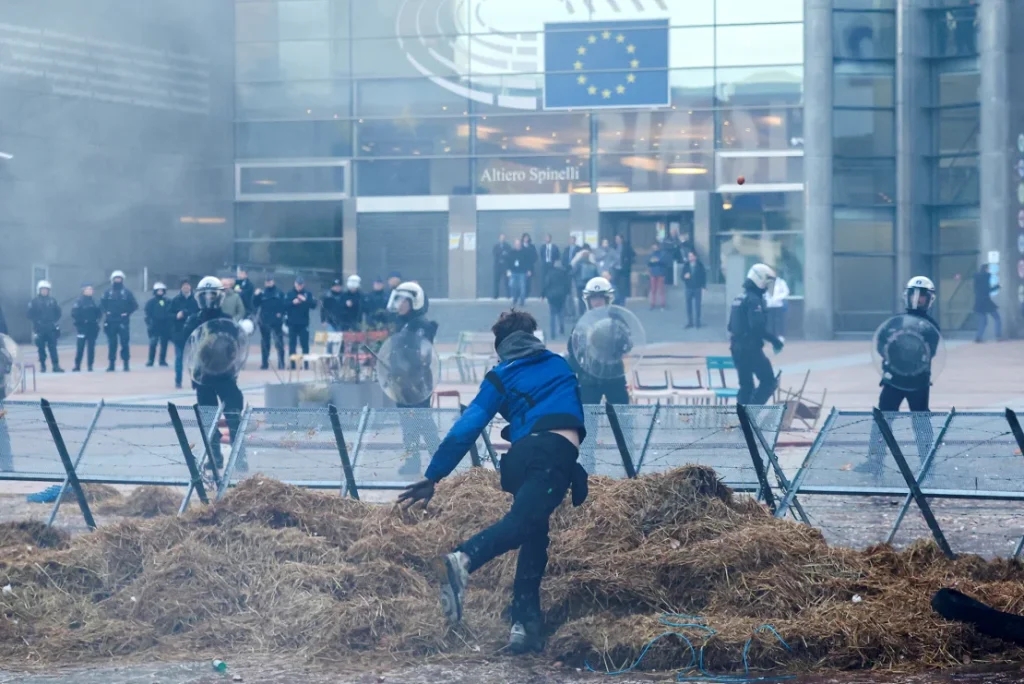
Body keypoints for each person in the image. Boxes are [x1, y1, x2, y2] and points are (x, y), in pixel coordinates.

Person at [397, 310, 587, 654]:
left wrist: (433, 475)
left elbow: (467, 426)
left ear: (502, 346)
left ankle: (524, 626)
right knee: (521, 524)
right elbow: (568, 409)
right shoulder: (560, 365)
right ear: (534, 336)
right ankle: (463, 559)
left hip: (526, 456)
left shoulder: (501, 375)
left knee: (534, 534)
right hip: (553, 454)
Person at [859, 277, 941, 476]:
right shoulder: (895, 322)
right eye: (914, 295)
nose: (917, 300)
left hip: (918, 381)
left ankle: (927, 464)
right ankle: (874, 461)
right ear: (907, 296)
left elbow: (932, 351)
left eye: (922, 296)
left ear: (929, 299)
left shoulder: (930, 326)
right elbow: (881, 343)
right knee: (882, 420)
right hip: (894, 379)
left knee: (921, 422)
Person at [183, 277, 249, 472]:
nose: (209, 299)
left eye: (213, 295)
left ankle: (240, 458)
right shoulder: (193, 320)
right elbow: (183, 342)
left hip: (226, 376)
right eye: (205, 296)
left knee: (234, 417)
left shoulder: (227, 321)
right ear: (199, 298)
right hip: (203, 378)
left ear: (220, 297)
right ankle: (215, 458)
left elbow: (237, 346)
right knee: (209, 421)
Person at [387, 281, 440, 476]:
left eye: (403, 300)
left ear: (414, 302)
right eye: (398, 299)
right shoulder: (404, 324)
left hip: (417, 382)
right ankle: (412, 460)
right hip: (402, 382)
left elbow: (419, 355)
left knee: (424, 422)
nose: (399, 304)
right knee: (407, 424)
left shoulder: (422, 326)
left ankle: (439, 459)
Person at [568, 277, 631, 405]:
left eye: (600, 298)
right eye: (593, 298)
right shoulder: (582, 323)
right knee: (589, 419)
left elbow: (627, 344)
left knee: (622, 418)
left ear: (608, 299)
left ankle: (622, 425)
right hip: (589, 378)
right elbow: (572, 349)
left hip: (614, 375)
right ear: (588, 300)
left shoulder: (616, 320)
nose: (597, 302)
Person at [728, 264, 783, 405]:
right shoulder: (753, 300)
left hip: (736, 348)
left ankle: (742, 421)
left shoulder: (738, 298)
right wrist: (775, 341)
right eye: (766, 283)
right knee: (769, 381)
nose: (766, 287)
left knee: (746, 386)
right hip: (750, 348)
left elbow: (730, 326)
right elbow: (757, 327)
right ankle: (751, 414)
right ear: (759, 280)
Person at [101, 270, 138, 372]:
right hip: (111, 321)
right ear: (112, 280)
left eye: (119, 278)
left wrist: (127, 312)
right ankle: (111, 364)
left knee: (124, 343)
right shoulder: (107, 293)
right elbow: (101, 304)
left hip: (123, 321)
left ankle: (126, 364)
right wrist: (106, 312)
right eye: (116, 278)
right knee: (112, 344)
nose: (117, 280)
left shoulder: (127, 293)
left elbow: (134, 305)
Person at [27, 280, 64, 373]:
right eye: (42, 289)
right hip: (40, 328)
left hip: (51, 327)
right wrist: (37, 322)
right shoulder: (34, 302)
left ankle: (56, 366)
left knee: (53, 347)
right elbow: (29, 314)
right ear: (39, 290)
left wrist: (53, 321)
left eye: (46, 289)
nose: (44, 291)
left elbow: (58, 313)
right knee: (41, 348)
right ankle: (43, 366)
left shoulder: (53, 301)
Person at [252, 274, 286, 370]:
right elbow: (255, 304)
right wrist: (256, 295)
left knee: (279, 343)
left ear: (273, 282)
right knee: (265, 344)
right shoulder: (262, 293)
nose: (268, 283)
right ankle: (264, 363)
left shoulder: (279, 293)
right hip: (264, 322)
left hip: (276, 322)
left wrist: (281, 314)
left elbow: (284, 305)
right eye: (267, 281)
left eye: (270, 281)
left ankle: (281, 363)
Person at [170, 280, 199, 388]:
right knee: (179, 359)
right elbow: (169, 315)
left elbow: (199, 314)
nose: (186, 287)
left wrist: (187, 314)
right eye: (184, 286)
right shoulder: (176, 300)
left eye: (188, 285)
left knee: (194, 359)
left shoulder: (196, 300)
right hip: (179, 334)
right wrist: (176, 316)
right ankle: (178, 381)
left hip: (193, 334)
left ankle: (194, 382)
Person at [286, 276, 317, 369]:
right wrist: (292, 303)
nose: (299, 286)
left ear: (303, 285)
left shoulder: (307, 294)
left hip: (304, 323)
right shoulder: (290, 294)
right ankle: (293, 365)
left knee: (305, 345)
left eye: (301, 285)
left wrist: (305, 300)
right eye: (297, 284)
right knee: (292, 344)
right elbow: (284, 305)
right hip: (292, 323)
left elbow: (313, 305)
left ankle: (306, 364)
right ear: (295, 284)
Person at [71, 284, 101, 372]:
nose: (90, 291)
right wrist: (81, 321)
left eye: (91, 289)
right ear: (83, 291)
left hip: (92, 328)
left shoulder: (94, 301)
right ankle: (77, 365)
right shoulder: (79, 301)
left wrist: (96, 321)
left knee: (91, 348)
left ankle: (90, 365)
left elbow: (99, 313)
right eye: (88, 289)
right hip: (82, 328)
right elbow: (74, 313)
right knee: (80, 347)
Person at [144, 282, 173, 368]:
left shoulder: (168, 301)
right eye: (158, 290)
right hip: (154, 326)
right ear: (155, 291)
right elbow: (147, 314)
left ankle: (162, 360)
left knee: (164, 344)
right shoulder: (151, 302)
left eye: (161, 290)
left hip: (165, 325)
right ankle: (150, 360)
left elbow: (171, 312)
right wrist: (149, 323)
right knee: (153, 343)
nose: (160, 292)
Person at [542, 261, 570, 340]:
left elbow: (546, 284)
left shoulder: (550, 273)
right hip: (561, 295)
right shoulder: (564, 273)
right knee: (561, 312)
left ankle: (552, 333)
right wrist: (567, 293)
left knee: (552, 314)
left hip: (552, 296)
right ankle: (561, 327)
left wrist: (543, 294)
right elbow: (567, 284)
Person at [973, 264, 1001, 342]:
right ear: (986, 269)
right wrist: (997, 286)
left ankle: (978, 337)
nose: (989, 270)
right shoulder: (986, 276)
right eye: (988, 269)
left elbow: (975, 290)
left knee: (983, 321)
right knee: (997, 318)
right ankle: (998, 335)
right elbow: (987, 290)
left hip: (979, 302)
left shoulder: (976, 277)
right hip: (986, 301)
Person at [682, 250, 707, 329]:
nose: (690, 258)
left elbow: (704, 276)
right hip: (688, 288)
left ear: (695, 257)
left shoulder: (700, 265)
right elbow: (682, 276)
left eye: (691, 256)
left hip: (697, 288)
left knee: (697, 305)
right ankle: (690, 322)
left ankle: (697, 322)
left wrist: (703, 286)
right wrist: (684, 277)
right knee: (688, 305)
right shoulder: (686, 265)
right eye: (689, 256)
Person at [765, 270, 790, 338]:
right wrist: (767, 299)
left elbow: (786, 292)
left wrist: (778, 298)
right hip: (769, 305)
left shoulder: (781, 282)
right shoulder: (766, 282)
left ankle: (780, 336)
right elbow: (764, 292)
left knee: (779, 321)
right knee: (770, 322)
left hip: (778, 305)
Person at [647, 242, 669, 310]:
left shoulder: (662, 253)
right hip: (653, 273)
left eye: (655, 246)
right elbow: (649, 263)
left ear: (658, 247)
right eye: (653, 247)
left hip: (660, 273)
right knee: (653, 290)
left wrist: (657, 261)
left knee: (661, 289)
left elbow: (665, 263)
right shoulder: (651, 254)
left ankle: (662, 304)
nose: (654, 248)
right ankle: (652, 303)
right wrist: (652, 262)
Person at [508, 238, 529, 307]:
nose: (517, 245)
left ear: (520, 244)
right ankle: (515, 298)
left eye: (519, 244)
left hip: (522, 272)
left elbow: (528, 262)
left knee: (522, 287)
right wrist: (508, 270)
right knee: (512, 286)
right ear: (514, 245)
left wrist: (528, 270)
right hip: (513, 272)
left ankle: (522, 301)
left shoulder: (524, 252)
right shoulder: (511, 252)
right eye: (516, 244)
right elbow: (508, 261)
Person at [614, 234, 634, 299]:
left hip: (624, 268)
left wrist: (627, 261)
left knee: (623, 284)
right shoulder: (613, 246)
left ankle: (623, 297)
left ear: (621, 239)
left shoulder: (626, 246)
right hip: (615, 268)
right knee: (616, 284)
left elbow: (633, 255)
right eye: (616, 239)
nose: (617, 240)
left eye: (618, 239)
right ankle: (616, 297)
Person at [493, 234, 512, 299]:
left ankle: (508, 295)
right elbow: (495, 254)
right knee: (496, 281)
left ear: (505, 239)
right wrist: (503, 253)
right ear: (499, 238)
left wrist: (503, 254)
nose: (502, 239)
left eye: (503, 238)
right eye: (501, 238)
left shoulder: (508, 246)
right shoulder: (496, 246)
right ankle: (495, 295)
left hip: (506, 267)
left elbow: (509, 254)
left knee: (507, 281)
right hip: (498, 266)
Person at [520, 233, 538, 298]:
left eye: (527, 238)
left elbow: (535, 256)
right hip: (521, 268)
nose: (526, 239)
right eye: (525, 237)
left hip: (530, 267)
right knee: (522, 283)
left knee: (528, 283)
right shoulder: (520, 246)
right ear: (523, 238)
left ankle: (526, 295)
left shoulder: (532, 246)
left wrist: (531, 262)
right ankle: (522, 296)